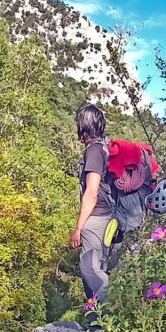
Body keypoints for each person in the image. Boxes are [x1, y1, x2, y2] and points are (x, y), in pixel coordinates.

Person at [71, 103, 116, 316]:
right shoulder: (105, 146)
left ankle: (110, 314)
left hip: (96, 218)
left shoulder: (95, 151)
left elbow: (91, 192)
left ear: (84, 126)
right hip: (108, 215)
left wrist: (78, 228)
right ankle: (95, 319)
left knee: (90, 270)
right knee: (94, 269)